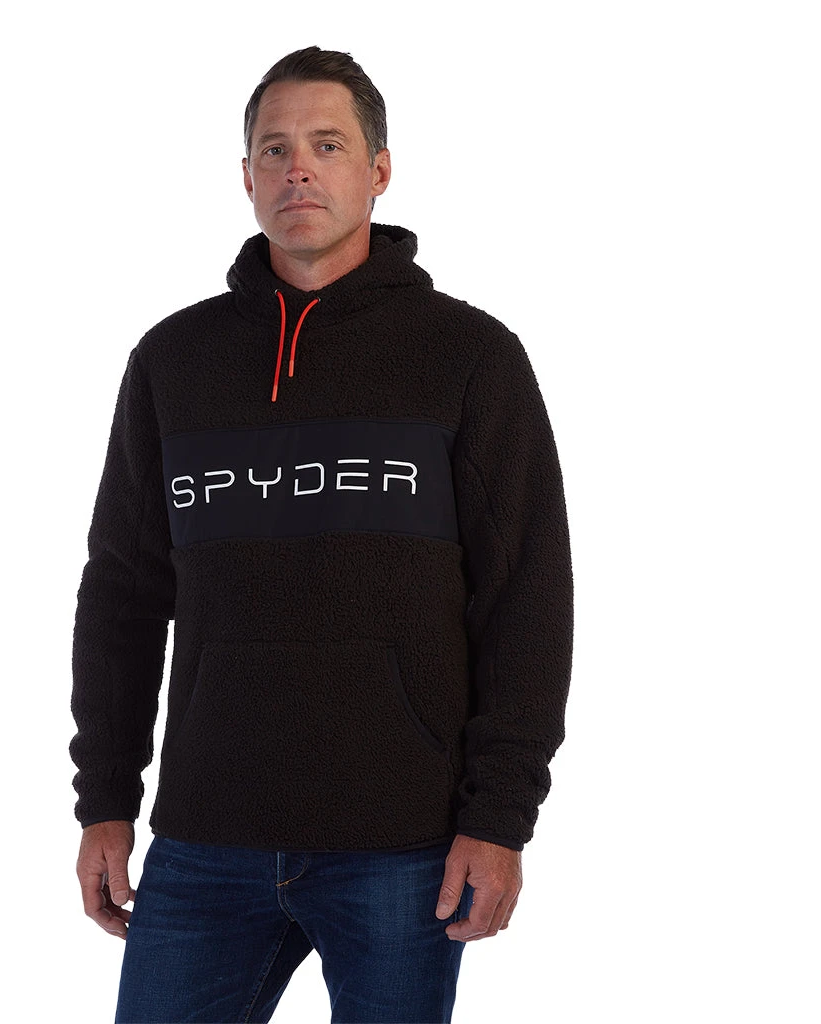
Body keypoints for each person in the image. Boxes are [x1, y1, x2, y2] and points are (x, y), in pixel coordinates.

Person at [70, 45, 574, 1024]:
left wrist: (500, 817)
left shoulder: (470, 358)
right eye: (275, 148)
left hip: (403, 845)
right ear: (246, 176)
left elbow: (526, 600)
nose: (298, 168)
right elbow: (122, 595)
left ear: (378, 170)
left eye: (327, 144)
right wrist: (104, 798)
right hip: (204, 840)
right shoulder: (173, 361)